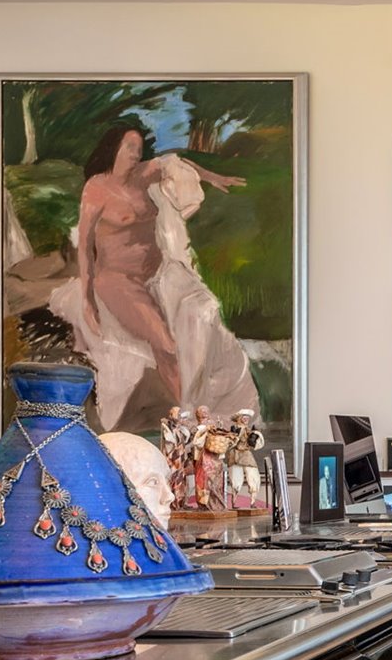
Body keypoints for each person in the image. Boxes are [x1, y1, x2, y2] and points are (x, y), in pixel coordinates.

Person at [49, 124, 259, 432]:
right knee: (167, 346)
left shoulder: (143, 174)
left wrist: (213, 177)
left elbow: (176, 163)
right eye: (129, 147)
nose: (136, 154)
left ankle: (195, 411)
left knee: (203, 316)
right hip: (119, 280)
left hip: (158, 274)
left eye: (138, 148)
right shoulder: (96, 188)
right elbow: (85, 245)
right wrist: (88, 300)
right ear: (113, 149)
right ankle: (185, 420)